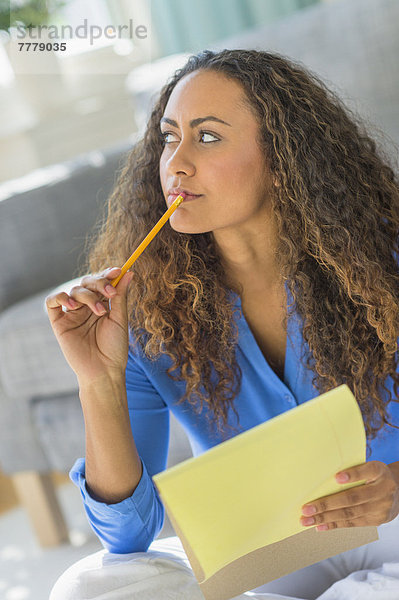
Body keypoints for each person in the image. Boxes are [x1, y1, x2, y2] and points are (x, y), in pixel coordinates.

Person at [46, 49, 399, 600]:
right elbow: (129, 535)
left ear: (284, 157)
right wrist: (99, 379)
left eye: (207, 137)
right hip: (269, 553)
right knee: (89, 586)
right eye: (168, 138)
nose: (176, 163)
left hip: (394, 531)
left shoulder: (383, 267)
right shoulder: (144, 310)